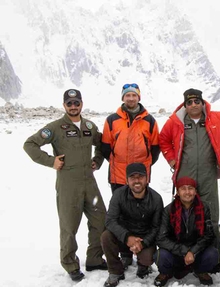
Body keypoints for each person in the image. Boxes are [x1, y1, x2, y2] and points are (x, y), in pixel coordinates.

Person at [23, 89, 107, 281]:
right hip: (69, 184)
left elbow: (102, 144)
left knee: (101, 219)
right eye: (69, 103)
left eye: (76, 102)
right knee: (69, 226)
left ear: (81, 104)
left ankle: (94, 258)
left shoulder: (89, 126)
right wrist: (51, 161)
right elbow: (30, 144)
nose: (73, 106)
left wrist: (98, 160)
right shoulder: (55, 127)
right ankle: (70, 264)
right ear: (64, 105)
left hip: (90, 182)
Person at [159, 88, 220, 246]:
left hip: (208, 172)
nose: (193, 105)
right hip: (185, 172)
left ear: (202, 103)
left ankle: (213, 248)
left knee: (210, 209)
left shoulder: (215, 118)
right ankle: (184, 246)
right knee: (184, 208)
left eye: (197, 101)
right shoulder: (176, 121)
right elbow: (163, 140)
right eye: (189, 102)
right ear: (185, 105)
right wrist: (171, 159)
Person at [101, 163, 163, 287]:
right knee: (106, 236)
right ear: (127, 180)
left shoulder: (156, 198)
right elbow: (110, 220)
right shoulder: (118, 195)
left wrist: (143, 243)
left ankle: (143, 265)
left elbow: (157, 227)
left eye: (140, 177)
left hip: (144, 239)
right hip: (124, 236)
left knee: (147, 257)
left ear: (147, 179)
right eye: (132, 177)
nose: (137, 181)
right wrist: (127, 237)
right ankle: (115, 271)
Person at [154, 177, 218, 287]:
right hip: (176, 252)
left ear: (195, 191)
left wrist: (193, 251)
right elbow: (161, 238)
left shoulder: (204, 208)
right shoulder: (169, 210)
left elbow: (209, 235)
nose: (187, 192)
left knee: (213, 254)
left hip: (197, 252)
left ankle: (201, 271)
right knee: (160, 255)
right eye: (183, 189)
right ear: (178, 192)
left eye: (190, 188)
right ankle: (165, 273)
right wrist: (184, 251)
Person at [101, 83, 160, 193]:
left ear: (139, 97)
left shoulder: (149, 121)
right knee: (118, 208)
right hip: (118, 176)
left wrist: (144, 164)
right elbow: (105, 147)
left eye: (134, 95)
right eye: (128, 96)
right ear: (123, 98)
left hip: (141, 176)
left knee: (140, 208)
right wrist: (116, 162)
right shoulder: (112, 120)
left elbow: (155, 148)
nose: (131, 99)